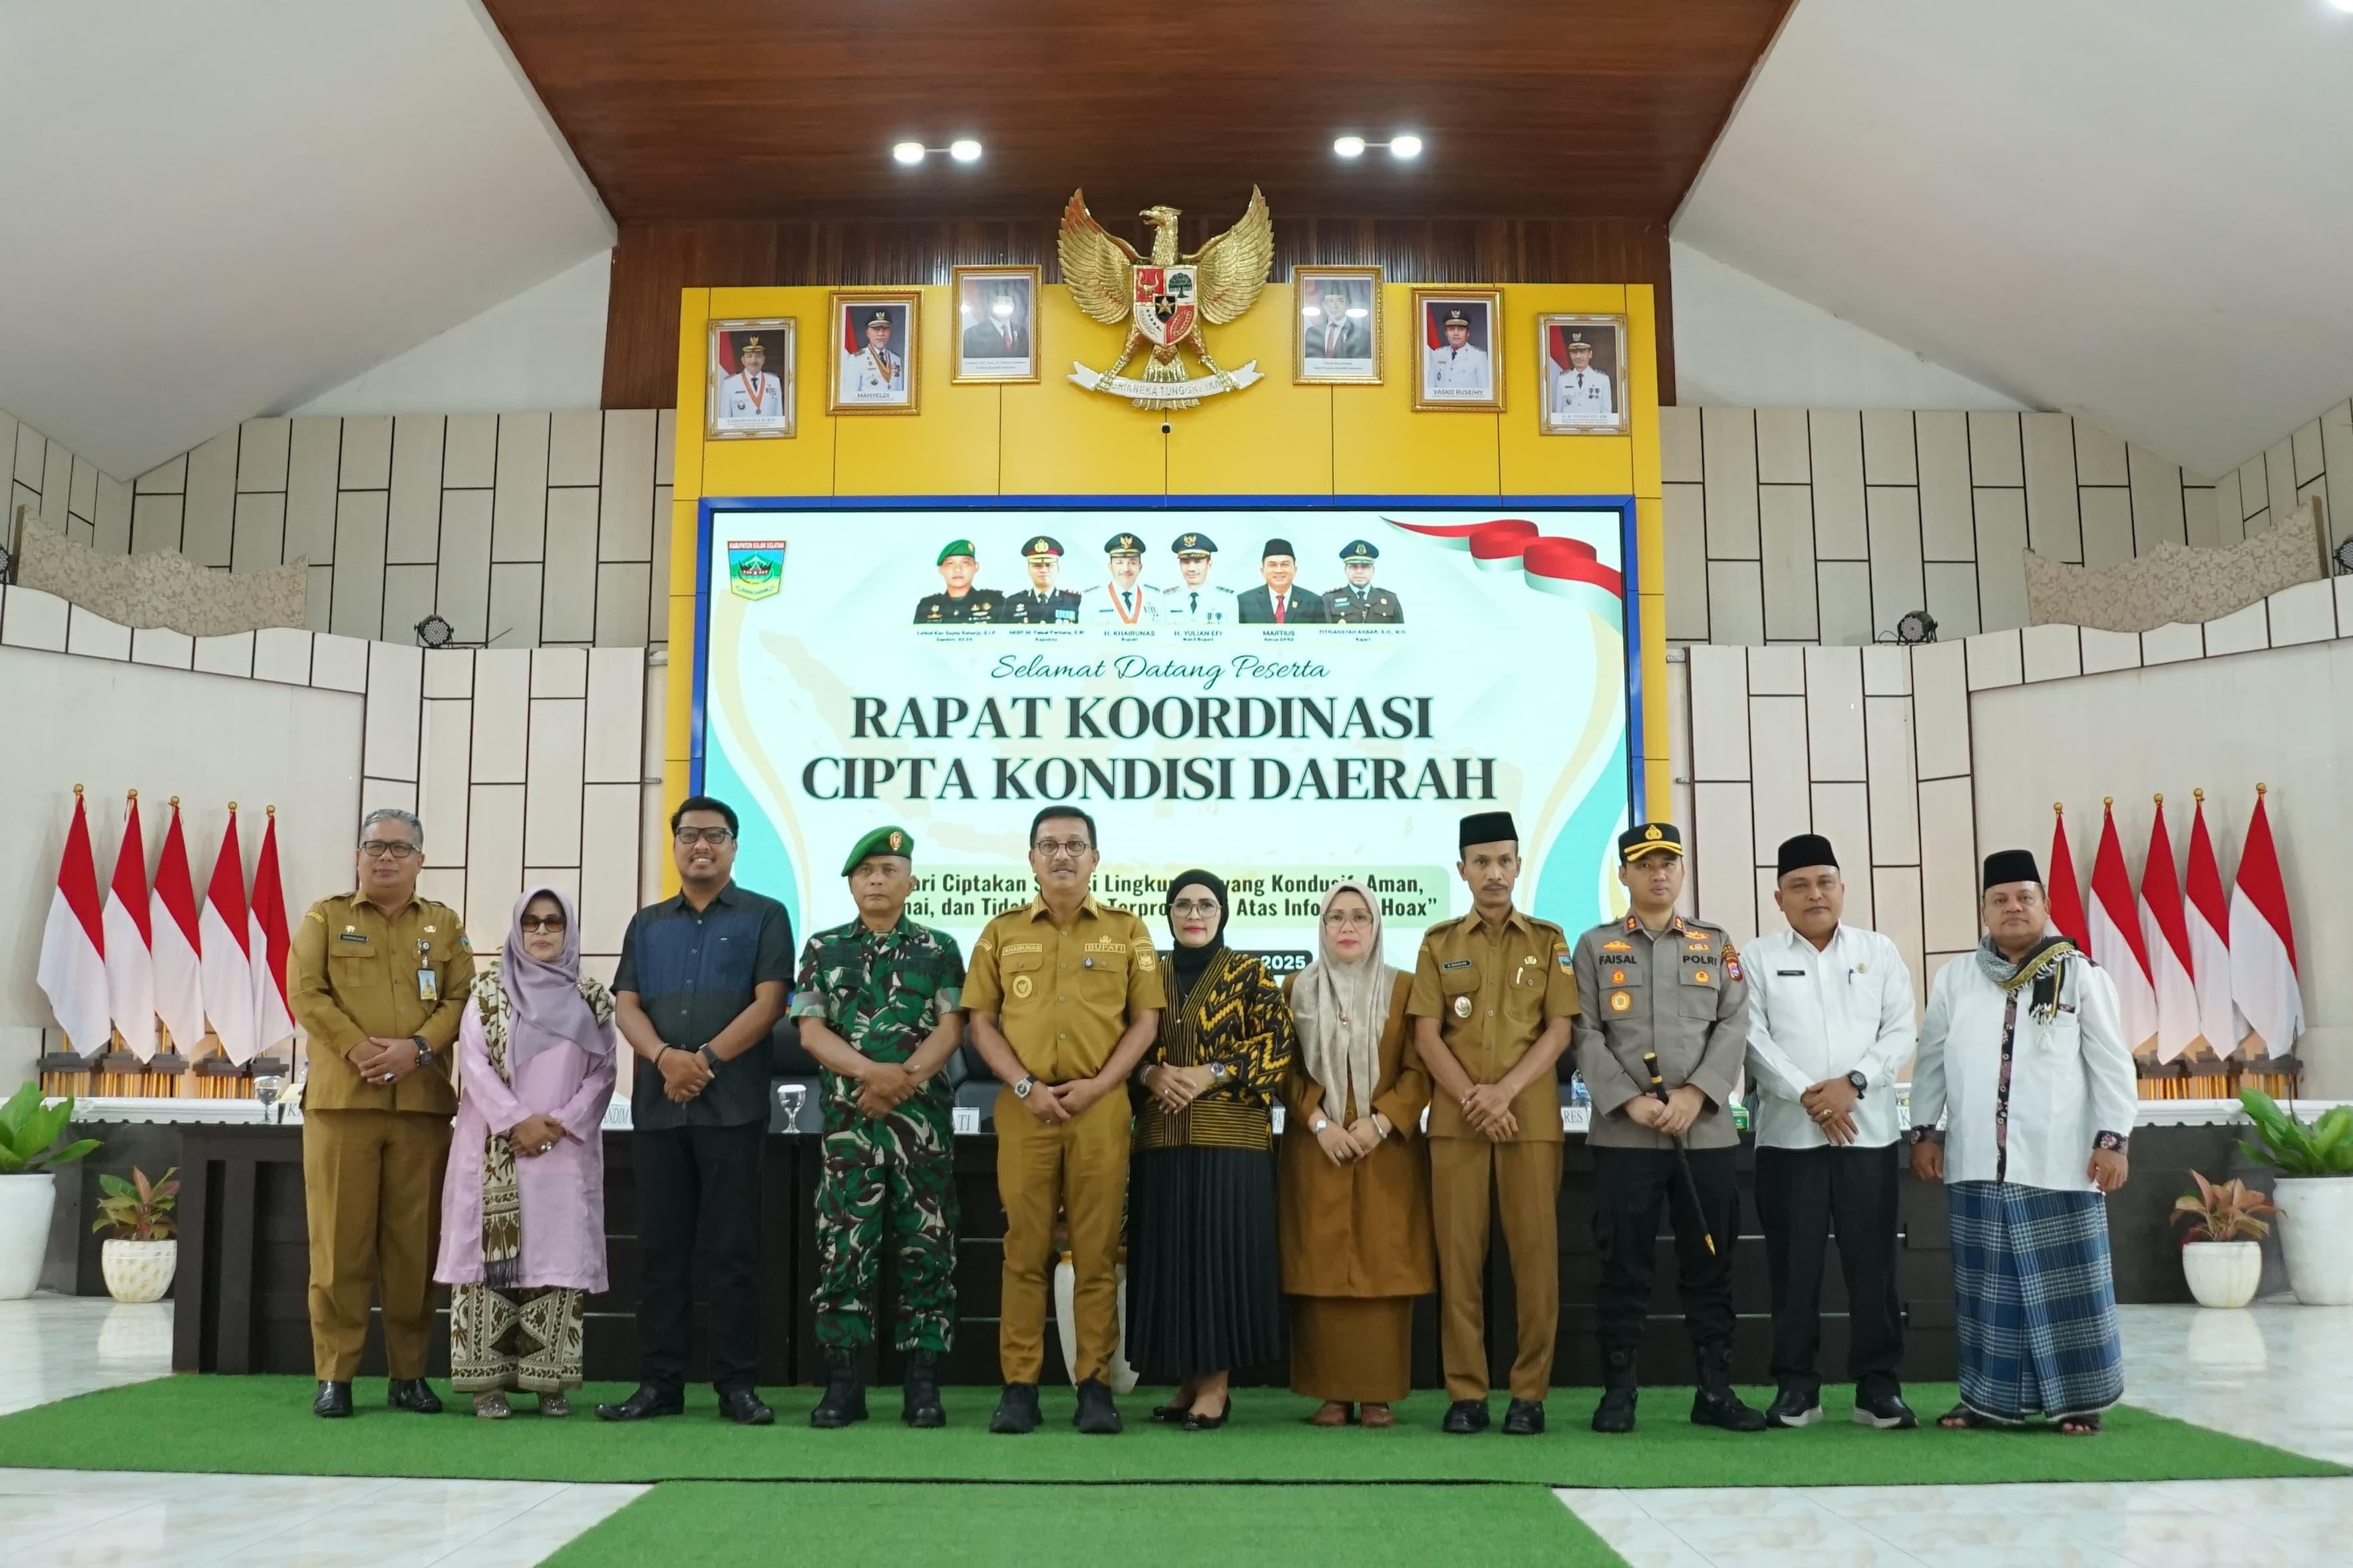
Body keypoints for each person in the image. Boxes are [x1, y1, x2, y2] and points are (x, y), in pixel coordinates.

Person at [1910, 849, 2135, 1435]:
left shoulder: (2081, 973)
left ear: (2046, 905)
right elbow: (1932, 1058)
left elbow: (2113, 1065)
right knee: (1985, 1292)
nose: (2013, 908)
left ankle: (2080, 1400)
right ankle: (1985, 1399)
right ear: (1985, 909)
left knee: (2070, 1288)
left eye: (2024, 897)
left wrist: (2113, 1140)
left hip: (2059, 1163)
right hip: (1977, 1163)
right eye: (2000, 899)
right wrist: (1925, 1130)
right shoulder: (1957, 977)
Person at [964, 806, 1165, 1436]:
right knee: (1024, 1252)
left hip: (1100, 1111)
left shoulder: (1128, 931)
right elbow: (980, 1024)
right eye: (1048, 845)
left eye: (1075, 845)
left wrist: (1102, 1086)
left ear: (1095, 859)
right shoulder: (1000, 933)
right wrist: (1026, 1085)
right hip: (1026, 1109)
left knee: (1097, 1254)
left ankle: (1094, 1385)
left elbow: (1146, 1022)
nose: (1062, 856)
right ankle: (1020, 1387)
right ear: (1031, 859)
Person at [598, 794, 793, 1428]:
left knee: (733, 1251)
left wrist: (701, 1060)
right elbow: (626, 1004)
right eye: (689, 835)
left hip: (731, 1109)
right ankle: (659, 1383)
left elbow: (770, 1004)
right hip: (660, 1111)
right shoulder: (648, 923)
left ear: (735, 846)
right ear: (675, 844)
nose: (700, 845)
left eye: (714, 835)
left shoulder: (765, 916)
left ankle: (736, 1384)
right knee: (660, 1251)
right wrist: (663, 1058)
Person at [1574, 822, 1765, 1434]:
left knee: (1710, 1264)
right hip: (1626, 1137)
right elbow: (1584, 1032)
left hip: (1704, 1134)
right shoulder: (1596, 945)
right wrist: (1629, 1101)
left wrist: (1698, 1093)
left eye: (1669, 863)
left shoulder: (1716, 943)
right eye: (1645, 864)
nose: (1659, 873)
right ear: (1624, 876)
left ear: (1681, 872)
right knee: (1622, 1265)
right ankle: (1618, 1393)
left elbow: (1734, 1024)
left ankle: (1714, 1389)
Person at [289, 808, 474, 1418]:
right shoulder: (326, 916)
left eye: (399, 848)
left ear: (422, 859)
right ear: (359, 857)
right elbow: (306, 992)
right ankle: (334, 1375)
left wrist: (415, 1049)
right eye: (374, 847)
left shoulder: (444, 926)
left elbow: (460, 999)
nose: (385, 857)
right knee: (339, 1246)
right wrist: (360, 1049)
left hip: (420, 1106)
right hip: (345, 1104)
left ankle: (409, 1374)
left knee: (413, 1249)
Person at [791, 826, 966, 1430]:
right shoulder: (822, 947)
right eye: (865, 871)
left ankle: (923, 1385)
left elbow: (952, 1027)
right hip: (850, 1127)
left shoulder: (940, 948)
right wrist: (875, 1075)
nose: (875, 879)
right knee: (846, 1250)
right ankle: (845, 1384)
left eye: (888, 869)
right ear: (850, 882)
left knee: (928, 1250)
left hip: (922, 1129)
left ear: (910, 881)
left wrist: (906, 1079)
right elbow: (810, 1031)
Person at [1407, 810, 1576, 1436]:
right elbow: (1426, 1035)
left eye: (1504, 860)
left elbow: (1560, 1030)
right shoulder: (1439, 943)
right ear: (1462, 870)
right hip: (1457, 1124)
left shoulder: (1549, 940)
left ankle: (1529, 1394)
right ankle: (1467, 1394)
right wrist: (1474, 1098)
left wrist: (1503, 1092)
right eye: (1481, 862)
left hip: (1528, 1121)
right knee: (1460, 1262)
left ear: (1518, 866)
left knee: (1536, 1265)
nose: (1494, 872)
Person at [1742, 834, 1918, 1431]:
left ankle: (1878, 1389)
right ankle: (1797, 1387)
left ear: (1842, 889)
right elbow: (1751, 1038)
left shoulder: (1879, 951)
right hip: (1789, 1140)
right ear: (1779, 897)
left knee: (1874, 1268)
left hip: (1867, 1136)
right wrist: (1810, 1096)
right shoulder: (1758, 957)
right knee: (1793, 1270)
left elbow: (1901, 1031)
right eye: (1799, 885)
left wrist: (1854, 1082)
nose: (1814, 893)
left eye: (1824, 882)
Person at [435, 887, 616, 1420]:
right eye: (532, 922)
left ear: (567, 931)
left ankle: (549, 1380)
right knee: (487, 1263)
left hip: (562, 1152)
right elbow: (473, 1064)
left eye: (553, 922)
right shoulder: (488, 993)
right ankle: (486, 1383)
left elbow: (604, 1072)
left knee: (554, 1263)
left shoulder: (591, 998)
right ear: (517, 929)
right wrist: (518, 1121)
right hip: (496, 1146)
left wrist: (557, 1124)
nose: (541, 931)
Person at [1127, 871, 1294, 1430]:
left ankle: (1217, 1388)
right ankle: (1187, 1381)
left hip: (1232, 1145)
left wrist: (1210, 1073)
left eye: (1205, 904)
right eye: (1182, 904)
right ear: (1168, 912)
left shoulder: (1249, 973)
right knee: (1173, 1262)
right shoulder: (1147, 973)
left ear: (1222, 911)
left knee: (1219, 1262)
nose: (1193, 913)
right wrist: (1150, 1073)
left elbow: (1277, 1043)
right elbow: (1119, 1045)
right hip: (1161, 1141)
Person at [1278, 880, 1434, 1430]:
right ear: (1321, 927)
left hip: (1385, 1153)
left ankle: (1378, 1394)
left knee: (1382, 1269)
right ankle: (1331, 1393)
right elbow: (1286, 1072)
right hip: (1316, 1150)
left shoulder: (1406, 989)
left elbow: (1421, 1070)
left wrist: (1383, 1121)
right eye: (1336, 918)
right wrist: (1319, 1122)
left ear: (1377, 927)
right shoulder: (1295, 989)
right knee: (1320, 1268)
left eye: (1360, 917)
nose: (1348, 928)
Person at [1236, 538, 1330, 625]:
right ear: (1262, 571)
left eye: (1285, 565)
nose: (1279, 570)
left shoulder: (1313, 602)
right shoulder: (1244, 602)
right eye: (1272, 565)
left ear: (1295, 570)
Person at [996, 535, 1082, 626]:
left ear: (1058, 569)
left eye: (1049, 565)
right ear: (1028, 569)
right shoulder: (1013, 602)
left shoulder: (1073, 601)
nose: (1044, 570)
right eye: (1037, 565)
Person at [913, 539, 1003, 625]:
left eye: (965, 563)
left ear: (976, 567)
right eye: (950, 564)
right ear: (941, 570)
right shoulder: (926, 607)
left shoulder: (996, 602)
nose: (958, 569)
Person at [1158, 532, 1239, 624]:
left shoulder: (1226, 599)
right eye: (1186, 562)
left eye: (1197, 562)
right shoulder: (1166, 599)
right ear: (1180, 565)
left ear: (1209, 565)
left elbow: (1232, 637)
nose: (1191, 569)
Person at [1323, 540, 1403, 624]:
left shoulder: (1390, 599)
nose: (1359, 571)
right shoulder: (1329, 600)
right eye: (1354, 566)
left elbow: (1401, 635)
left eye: (1365, 567)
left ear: (1373, 570)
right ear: (1345, 570)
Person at [1087, 532, 1160, 624]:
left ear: (1140, 567)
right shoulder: (1092, 599)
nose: (1126, 569)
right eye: (1119, 563)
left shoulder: (1155, 597)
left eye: (1132, 563)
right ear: (1110, 566)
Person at [840, 310, 906, 403]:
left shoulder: (896, 359)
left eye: (885, 329)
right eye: (876, 329)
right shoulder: (856, 359)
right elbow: (851, 397)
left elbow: (900, 396)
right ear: (868, 333)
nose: (881, 334)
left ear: (890, 332)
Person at [1423, 309, 1490, 399]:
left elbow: (1485, 393)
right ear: (1446, 333)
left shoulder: (1479, 356)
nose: (1456, 334)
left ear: (1468, 333)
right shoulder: (1438, 354)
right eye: (1451, 329)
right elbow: (1430, 389)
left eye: (1460, 329)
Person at [1551, 332, 1614, 424]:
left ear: (1590, 354)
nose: (1578, 356)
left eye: (1582, 352)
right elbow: (1559, 413)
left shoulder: (1602, 380)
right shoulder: (1563, 379)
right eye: (1574, 352)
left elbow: (1607, 414)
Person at [717, 336, 784, 421]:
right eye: (749, 356)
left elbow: (779, 417)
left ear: (764, 360)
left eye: (758, 356)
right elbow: (724, 420)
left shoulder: (774, 381)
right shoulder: (729, 384)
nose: (754, 360)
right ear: (743, 360)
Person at [1306, 283, 1370, 363]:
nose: (1334, 306)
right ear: (1324, 305)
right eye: (1330, 301)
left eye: (1340, 301)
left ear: (1347, 304)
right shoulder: (1312, 333)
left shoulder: (1362, 335)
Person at [962, 291, 1030, 363]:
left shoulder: (1022, 332)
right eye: (998, 302)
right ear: (990, 305)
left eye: (1007, 301)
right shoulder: (971, 335)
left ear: (1014, 305)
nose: (1003, 306)